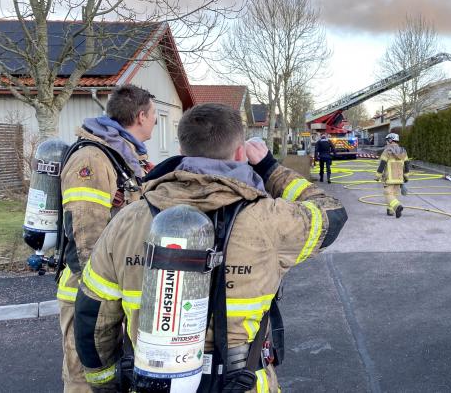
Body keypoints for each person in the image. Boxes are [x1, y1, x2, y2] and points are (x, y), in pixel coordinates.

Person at [74, 103, 347, 392]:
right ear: (241, 153)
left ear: (181, 148)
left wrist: (105, 382)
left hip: (153, 382)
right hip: (241, 383)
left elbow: (92, 313)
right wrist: (269, 167)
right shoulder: (271, 220)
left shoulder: (128, 220)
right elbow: (332, 214)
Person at [57, 84, 157, 392]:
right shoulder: (92, 158)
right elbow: (85, 235)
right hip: (89, 293)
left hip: (114, 290)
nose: (155, 120)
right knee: (85, 378)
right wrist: (99, 293)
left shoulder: (124, 156)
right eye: (154, 115)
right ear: (141, 116)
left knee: (116, 376)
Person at [375, 132, 409, 218]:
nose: (386, 143)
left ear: (390, 140)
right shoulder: (403, 151)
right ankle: (390, 211)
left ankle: (397, 206)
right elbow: (407, 164)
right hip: (399, 178)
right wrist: (406, 176)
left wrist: (378, 175)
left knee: (388, 194)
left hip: (389, 178)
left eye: (387, 141)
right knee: (394, 195)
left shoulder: (387, 151)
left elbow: (382, 164)